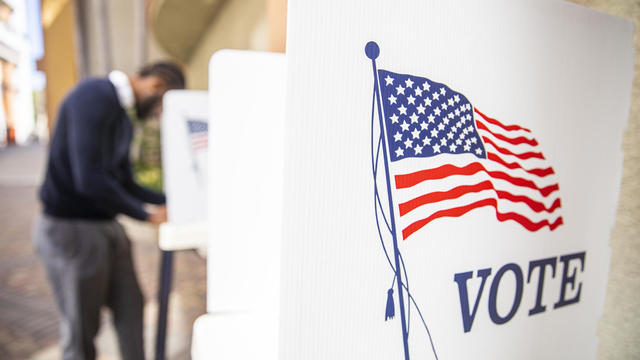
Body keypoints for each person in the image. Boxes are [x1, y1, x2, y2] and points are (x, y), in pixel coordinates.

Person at [33, 62, 185, 360]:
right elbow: (89, 180)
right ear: (156, 86)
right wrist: (146, 216)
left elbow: (124, 180)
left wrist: (172, 200)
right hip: (72, 228)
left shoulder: (122, 117)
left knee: (131, 307)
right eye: (162, 107)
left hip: (107, 225)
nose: (158, 116)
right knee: (81, 329)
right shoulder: (94, 95)